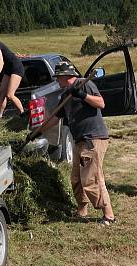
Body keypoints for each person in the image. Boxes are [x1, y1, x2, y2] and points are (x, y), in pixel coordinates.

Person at [45, 61, 115, 225]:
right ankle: (82, 210)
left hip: (93, 138)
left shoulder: (85, 84)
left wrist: (82, 95)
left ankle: (108, 215)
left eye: (58, 78)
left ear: (66, 76)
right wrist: (38, 132)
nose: (57, 81)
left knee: (92, 179)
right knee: (76, 179)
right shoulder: (65, 95)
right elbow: (55, 119)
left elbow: (101, 103)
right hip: (79, 140)